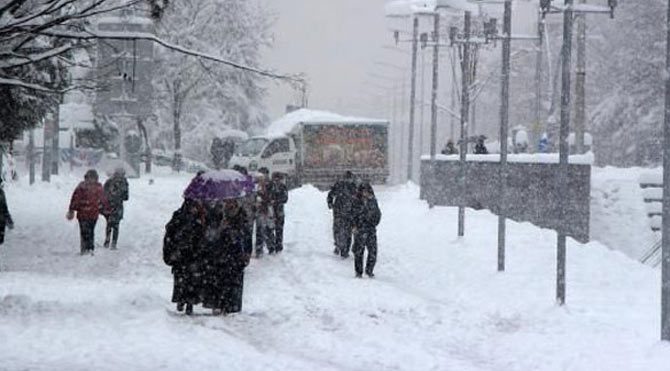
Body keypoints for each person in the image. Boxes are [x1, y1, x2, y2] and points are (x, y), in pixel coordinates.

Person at [201, 199, 250, 315]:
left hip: (236, 254)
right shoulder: (217, 214)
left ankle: (231, 305)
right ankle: (219, 303)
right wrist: (220, 229)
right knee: (220, 279)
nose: (229, 204)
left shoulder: (241, 216)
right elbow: (210, 234)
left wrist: (247, 252)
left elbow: (246, 235)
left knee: (233, 281)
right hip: (220, 254)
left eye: (232, 202)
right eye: (227, 202)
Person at [163, 199, 205, 315]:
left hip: (190, 255)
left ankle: (188, 302)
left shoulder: (197, 218)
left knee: (189, 280)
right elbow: (170, 232)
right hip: (183, 255)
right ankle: (183, 300)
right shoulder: (182, 217)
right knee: (184, 279)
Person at [67, 169, 109, 255]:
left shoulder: (96, 188)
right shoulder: (82, 187)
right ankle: (85, 248)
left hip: (92, 214)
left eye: (92, 178)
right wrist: (72, 209)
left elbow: (103, 200)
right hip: (83, 214)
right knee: (84, 231)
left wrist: (105, 208)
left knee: (90, 230)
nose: (91, 180)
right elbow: (75, 199)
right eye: (89, 178)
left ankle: (89, 248)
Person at [351, 182, 381, 278]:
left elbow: (378, 214)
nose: (365, 193)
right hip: (360, 229)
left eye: (367, 191)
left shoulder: (373, 201)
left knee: (373, 251)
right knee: (359, 252)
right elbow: (352, 215)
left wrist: (374, 222)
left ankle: (369, 270)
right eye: (364, 191)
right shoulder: (356, 201)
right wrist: (354, 225)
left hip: (371, 229)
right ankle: (358, 272)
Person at [327, 171, 357, 258]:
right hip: (342, 211)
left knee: (343, 231)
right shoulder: (342, 185)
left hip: (345, 212)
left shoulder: (350, 186)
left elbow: (330, 195)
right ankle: (340, 247)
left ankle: (343, 248)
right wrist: (330, 203)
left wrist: (330, 203)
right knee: (342, 231)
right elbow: (331, 194)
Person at [103, 168, 129, 249]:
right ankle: (114, 243)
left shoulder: (109, 181)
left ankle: (107, 241)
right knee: (116, 225)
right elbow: (126, 197)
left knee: (109, 224)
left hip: (109, 205)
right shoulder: (124, 183)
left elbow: (103, 193)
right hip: (118, 206)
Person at [254, 168, 275, 257]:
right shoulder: (256, 185)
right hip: (259, 210)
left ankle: (271, 246)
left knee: (269, 229)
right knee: (259, 229)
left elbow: (272, 197)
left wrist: (265, 198)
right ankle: (259, 249)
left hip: (268, 209)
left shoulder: (270, 184)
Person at [268, 172, 289, 253]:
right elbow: (267, 195)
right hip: (270, 210)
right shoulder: (269, 186)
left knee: (279, 229)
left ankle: (278, 245)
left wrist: (277, 201)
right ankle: (271, 246)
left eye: (278, 179)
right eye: (275, 179)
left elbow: (285, 198)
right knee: (270, 229)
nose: (276, 181)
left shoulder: (283, 187)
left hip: (279, 210)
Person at [0, 178, 14, 246]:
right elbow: (4, 209)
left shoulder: (1, 193)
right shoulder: (1, 193)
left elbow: (4, 208)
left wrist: (9, 220)